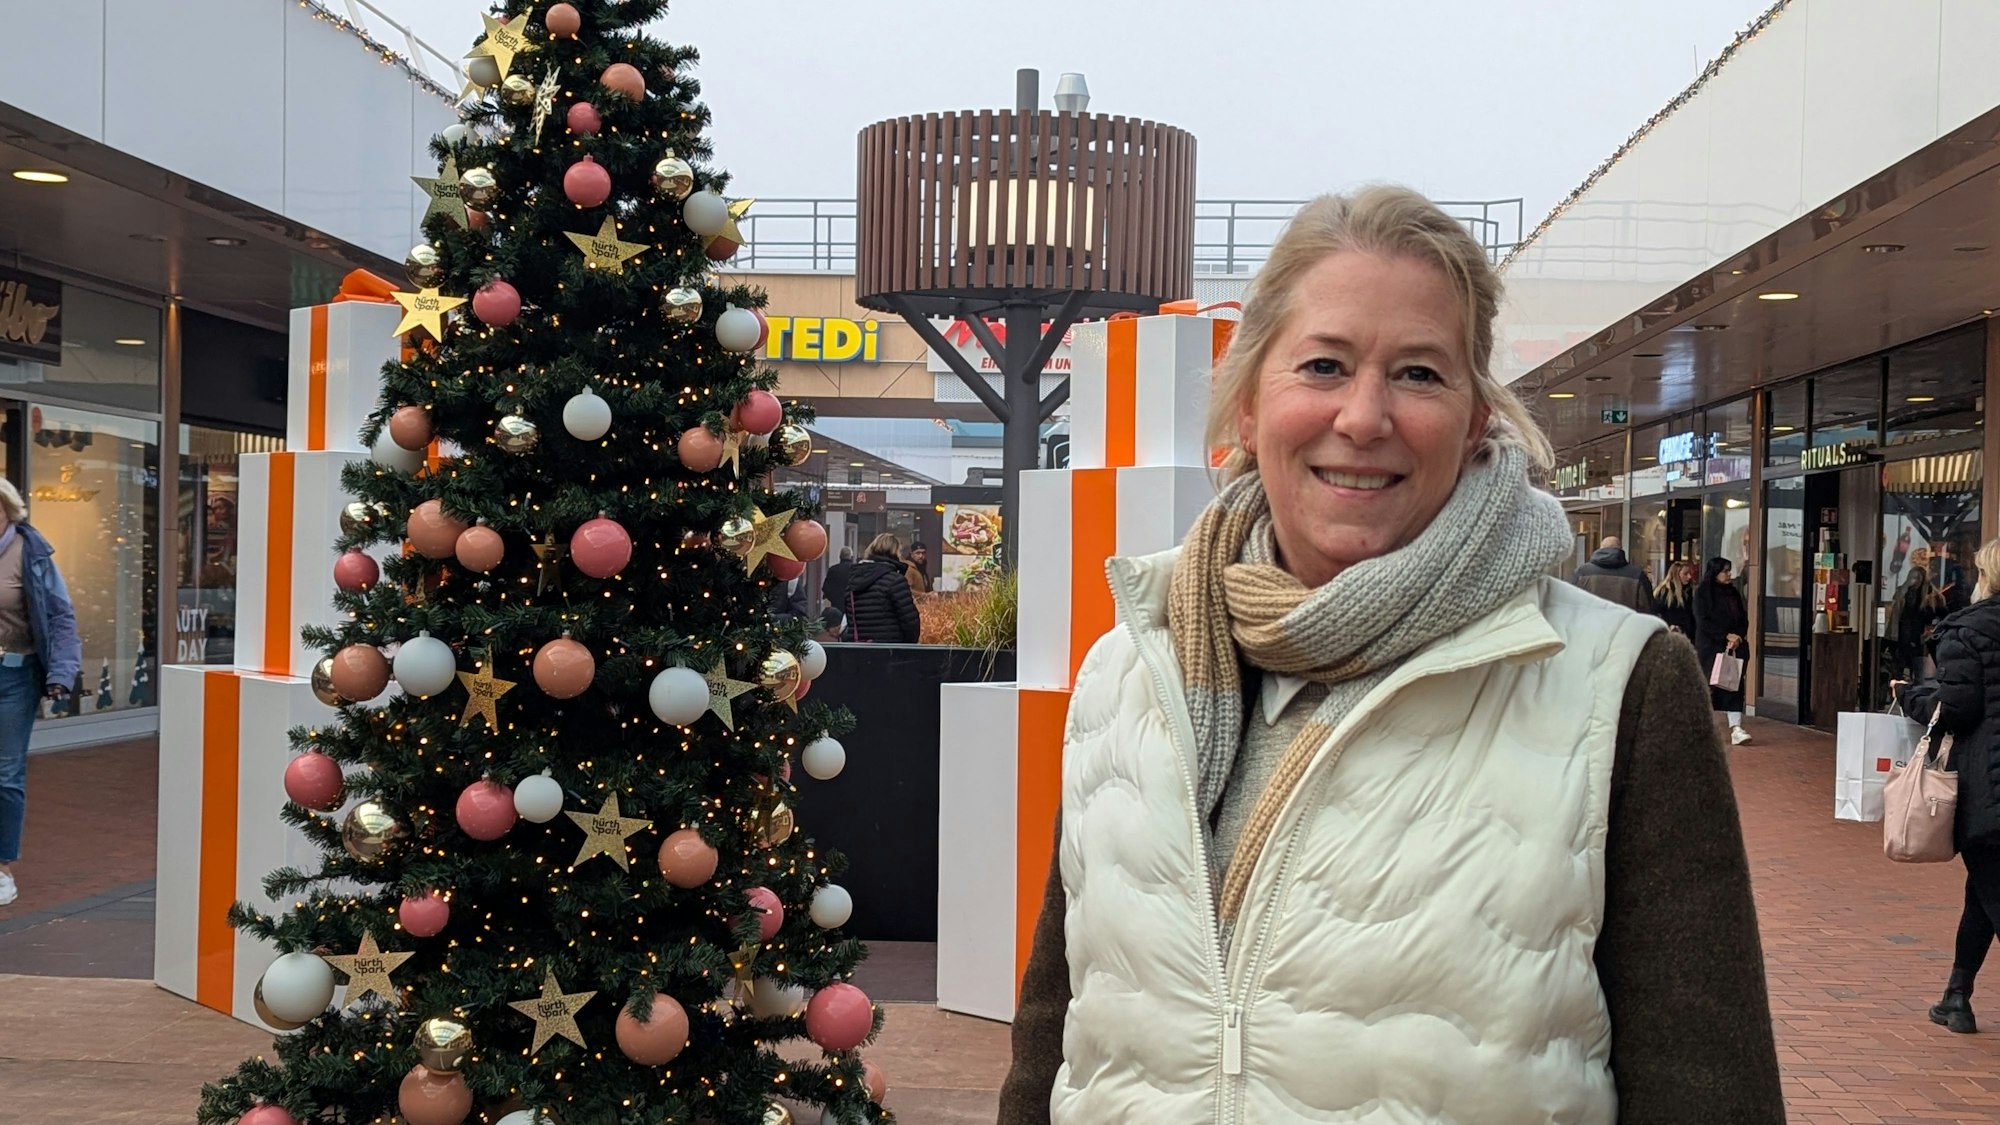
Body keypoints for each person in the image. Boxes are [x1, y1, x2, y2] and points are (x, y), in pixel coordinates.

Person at [998, 187, 1781, 1124]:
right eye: (1323, 364)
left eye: (1418, 374)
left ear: (1477, 418)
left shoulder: (1620, 681)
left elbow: (1707, 1088)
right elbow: (1058, 1037)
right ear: (1247, 407)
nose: (1365, 417)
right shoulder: (1130, 670)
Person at [1895, 538, 2000, 1035]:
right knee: (1980, 893)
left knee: (1991, 887)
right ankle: (1956, 996)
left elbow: (1956, 708)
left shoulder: (1969, 630)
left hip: (1988, 790)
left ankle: (1957, 999)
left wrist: (1914, 696)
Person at [0, 476, 81, 908]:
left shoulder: (30, 553)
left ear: (8, 510)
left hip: (14, 674)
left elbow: (60, 616)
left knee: (6, 772)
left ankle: (2, 867)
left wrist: (62, 673)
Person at [1693, 556, 1753, 746]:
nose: (1729, 574)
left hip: (1734, 647)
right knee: (1709, 687)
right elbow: (1703, 621)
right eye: (1725, 571)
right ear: (1715, 572)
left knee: (1733, 686)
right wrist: (1725, 636)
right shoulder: (1703, 593)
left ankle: (1736, 728)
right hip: (1711, 647)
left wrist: (1738, 637)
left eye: (1729, 570)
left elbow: (1743, 618)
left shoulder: (1733, 593)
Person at [842, 533, 920, 644]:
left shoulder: (853, 581)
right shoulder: (895, 580)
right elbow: (910, 622)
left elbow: (850, 618)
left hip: (858, 650)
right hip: (890, 651)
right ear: (896, 552)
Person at [1890, 547, 1949, 682]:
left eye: (1917, 578)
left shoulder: (1931, 596)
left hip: (1919, 639)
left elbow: (1943, 615)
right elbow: (1896, 611)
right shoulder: (1904, 592)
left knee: (1919, 672)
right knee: (1900, 669)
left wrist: (1933, 629)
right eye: (1912, 577)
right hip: (1902, 636)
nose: (1914, 581)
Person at [1574, 535, 1656, 614]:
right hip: (1625, 626)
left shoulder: (1582, 573)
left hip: (1590, 626)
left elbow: (1571, 604)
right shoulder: (1637, 575)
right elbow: (1647, 608)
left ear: (1600, 549)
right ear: (1621, 550)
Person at [1653, 558, 1699, 639]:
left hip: (1687, 634)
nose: (1689, 577)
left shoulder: (1689, 591)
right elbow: (1656, 612)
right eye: (1685, 574)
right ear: (1676, 575)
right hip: (1670, 634)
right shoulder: (1665, 592)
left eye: (1689, 573)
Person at [819, 547, 855, 618]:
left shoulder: (833, 570)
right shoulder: (855, 570)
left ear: (840, 557)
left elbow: (826, 588)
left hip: (836, 607)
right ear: (851, 557)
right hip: (852, 606)